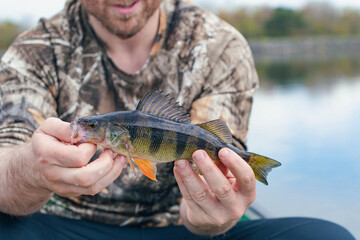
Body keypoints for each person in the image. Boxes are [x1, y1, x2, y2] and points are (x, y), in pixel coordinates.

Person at [0, 0, 355, 239]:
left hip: (181, 229)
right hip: (59, 227)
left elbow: (214, 186)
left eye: (94, 125)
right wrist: (28, 171)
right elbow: (5, 158)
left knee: (326, 236)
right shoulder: (36, 49)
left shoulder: (219, 45)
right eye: (92, 125)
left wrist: (212, 213)